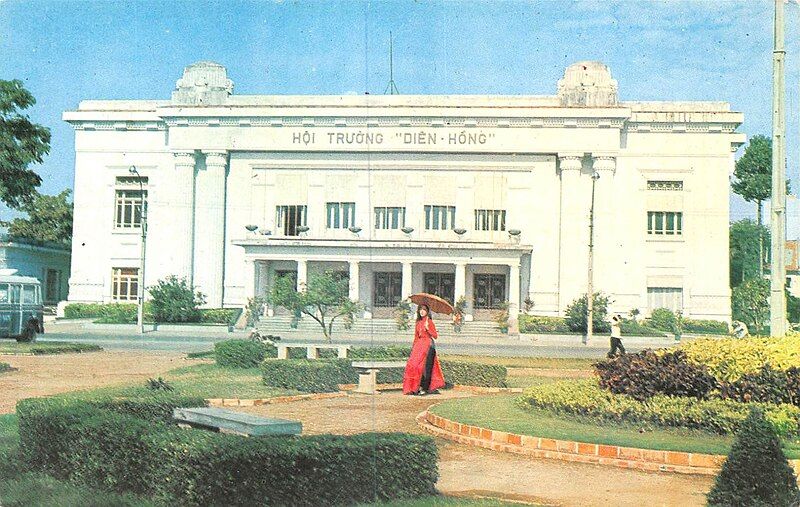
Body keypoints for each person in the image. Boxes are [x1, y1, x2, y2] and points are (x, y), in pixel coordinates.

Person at [402, 304, 445, 396]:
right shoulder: (418, 323)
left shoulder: (429, 322)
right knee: (414, 365)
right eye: (420, 310)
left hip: (429, 345)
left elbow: (435, 336)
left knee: (426, 368)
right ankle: (414, 387)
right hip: (419, 346)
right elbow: (416, 337)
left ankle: (424, 388)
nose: (422, 311)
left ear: (427, 312)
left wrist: (428, 329)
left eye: (424, 310)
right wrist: (414, 349)